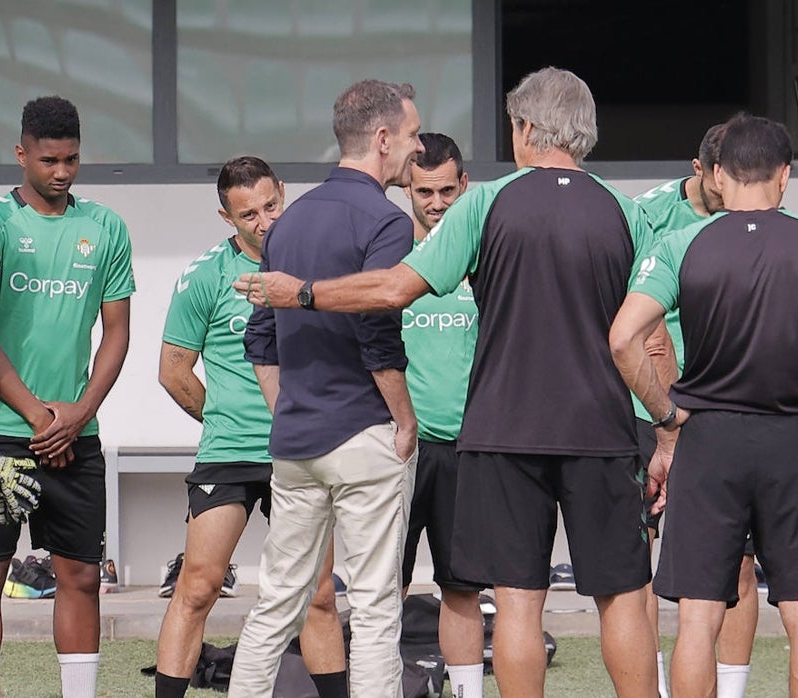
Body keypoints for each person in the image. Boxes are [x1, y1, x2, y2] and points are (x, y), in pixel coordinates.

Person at [237, 66, 661, 698]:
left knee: (517, 603)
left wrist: (301, 292)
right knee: (623, 597)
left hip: (503, 432)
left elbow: (392, 288)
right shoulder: (627, 213)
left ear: (524, 128)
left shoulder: (485, 205)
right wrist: (670, 424)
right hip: (602, 427)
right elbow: (649, 337)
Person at [611, 113, 798, 698]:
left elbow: (622, 339)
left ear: (719, 172)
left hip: (707, 444)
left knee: (697, 618)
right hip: (791, 441)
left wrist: (667, 414)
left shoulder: (679, 243)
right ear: (785, 176)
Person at [226, 79, 423, 698]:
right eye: (413, 136)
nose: (416, 150)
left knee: (275, 604)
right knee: (373, 608)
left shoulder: (288, 222)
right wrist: (405, 420)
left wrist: (285, 406)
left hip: (297, 441)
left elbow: (260, 338)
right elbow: (377, 335)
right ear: (383, 138)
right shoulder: (388, 220)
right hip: (365, 434)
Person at [153, 156, 346, 698]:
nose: (264, 221)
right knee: (198, 586)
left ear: (283, 193)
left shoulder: (318, 270)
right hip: (230, 452)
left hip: (303, 451)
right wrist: (223, 417)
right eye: (247, 214)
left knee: (319, 594)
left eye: (270, 206)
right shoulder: (205, 275)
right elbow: (173, 371)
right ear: (225, 215)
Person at [0, 96, 135, 698]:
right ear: (21, 155)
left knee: (81, 576)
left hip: (76, 434)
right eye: (48, 160)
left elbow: (116, 330)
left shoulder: (105, 227)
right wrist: (39, 414)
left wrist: (79, 412)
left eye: (71, 160)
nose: (61, 172)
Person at [634, 122, 761, 698]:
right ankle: (657, 683)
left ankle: (728, 690)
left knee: (736, 562)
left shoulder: (754, 213)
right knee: (646, 560)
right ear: (701, 169)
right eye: (721, 180)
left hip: (728, 411)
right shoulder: (648, 217)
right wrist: (668, 415)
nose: (730, 191)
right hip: (654, 410)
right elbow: (639, 328)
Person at [399, 132, 485, 698]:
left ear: (465, 187)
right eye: (424, 191)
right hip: (397, 450)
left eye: (446, 191)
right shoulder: (387, 262)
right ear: (406, 188)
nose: (435, 203)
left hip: (467, 448)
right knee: (384, 589)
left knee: (462, 589)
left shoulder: (486, 262)